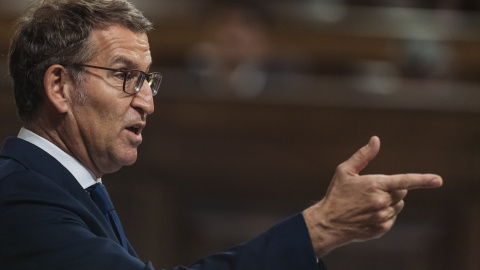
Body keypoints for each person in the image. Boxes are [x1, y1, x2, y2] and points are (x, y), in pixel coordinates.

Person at [0, 0, 442, 269]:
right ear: (58, 86)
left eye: (147, 80)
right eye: (124, 76)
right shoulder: (20, 197)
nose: (147, 102)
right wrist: (321, 226)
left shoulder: (66, 187)